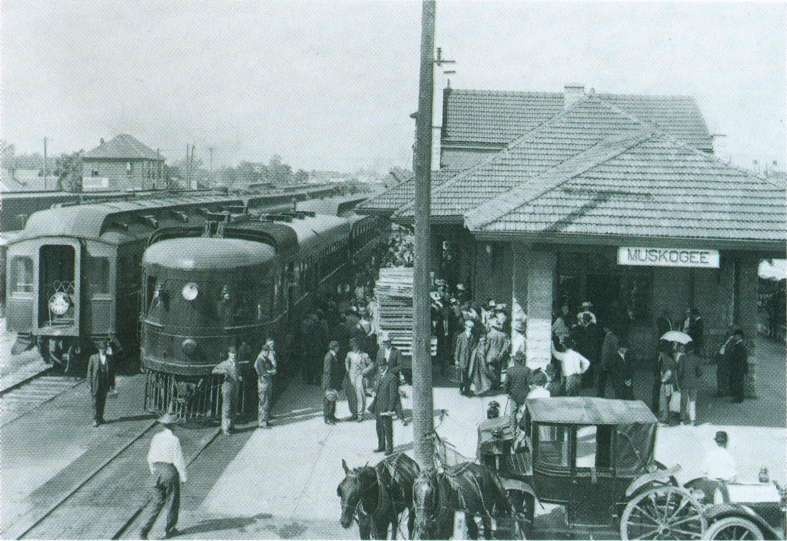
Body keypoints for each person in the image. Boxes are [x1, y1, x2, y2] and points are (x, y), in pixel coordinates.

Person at [139, 413, 187, 540]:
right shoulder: (174, 440)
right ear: (174, 426)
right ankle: (169, 530)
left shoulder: (156, 437)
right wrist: (183, 477)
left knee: (157, 502)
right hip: (170, 472)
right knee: (172, 501)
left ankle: (144, 530)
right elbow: (178, 460)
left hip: (156, 471)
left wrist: (154, 471)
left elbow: (149, 457)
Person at [368, 358, 405, 455]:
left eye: (382, 366)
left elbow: (393, 395)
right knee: (379, 427)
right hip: (378, 406)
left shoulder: (392, 377)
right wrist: (373, 392)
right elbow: (375, 388)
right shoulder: (378, 376)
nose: (380, 368)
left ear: (386, 366)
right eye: (379, 366)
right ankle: (381, 446)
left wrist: (390, 409)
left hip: (386, 407)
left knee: (387, 428)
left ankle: (390, 448)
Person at [212, 346, 243, 435]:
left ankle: (231, 426)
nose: (233, 355)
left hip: (236, 387)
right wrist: (223, 371)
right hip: (227, 388)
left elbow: (238, 372)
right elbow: (214, 370)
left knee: (234, 407)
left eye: (235, 354)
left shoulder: (237, 363)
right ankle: (225, 428)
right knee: (227, 408)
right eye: (232, 354)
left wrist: (239, 377)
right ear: (229, 354)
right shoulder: (225, 363)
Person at [345, 337, 373, 421]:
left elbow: (371, 364)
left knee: (360, 395)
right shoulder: (349, 354)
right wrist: (347, 370)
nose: (353, 346)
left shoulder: (364, 355)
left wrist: (365, 371)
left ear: (357, 345)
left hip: (360, 376)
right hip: (351, 376)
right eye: (351, 345)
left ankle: (360, 414)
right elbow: (346, 362)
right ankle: (354, 413)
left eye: (354, 344)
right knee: (351, 396)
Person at [87, 343, 113, 426]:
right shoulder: (93, 357)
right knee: (95, 401)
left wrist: (112, 384)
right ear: (99, 349)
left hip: (104, 382)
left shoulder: (109, 358)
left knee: (102, 400)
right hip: (95, 382)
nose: (103, 350)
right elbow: (89, 371)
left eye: (104, 349)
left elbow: (111, 372)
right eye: (102, 349)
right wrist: (89, 383)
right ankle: (95, 419)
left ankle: (101, 417)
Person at [677, 342, 702, 425]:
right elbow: (699, 372)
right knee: (692, 402)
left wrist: (679, 380)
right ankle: (692, 420)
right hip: (694, 383)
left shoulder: (682, 358)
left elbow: (680, 371)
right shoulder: (697, 358)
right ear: (693, 350)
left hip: (684, 383)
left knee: (683, 402)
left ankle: (682, 420)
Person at [254, 339, 277, 429]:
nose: (267, 353)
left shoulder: (266, 359)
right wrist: (271, 372)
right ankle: (262, 422)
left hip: (268, 382)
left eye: (268, 352)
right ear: (263, 351)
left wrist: (271, 371)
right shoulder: (260, 360)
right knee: (263, 402)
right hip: (263, 383)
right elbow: (264, 373)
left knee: (268, 401)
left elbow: (272, 367)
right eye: (266, 352)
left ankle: (266, 420)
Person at [505, 351, 531, 429]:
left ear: (514, 360)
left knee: (513, 413)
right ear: (522, 360)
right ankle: (523, 429)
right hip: (524, 395)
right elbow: (529, 382)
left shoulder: (509, 370)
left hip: (513, 395)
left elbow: (506, 384)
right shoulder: (527, 370)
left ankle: (513, 430)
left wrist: (507, 393)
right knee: (524, 412)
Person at [485, 320, 510, 389]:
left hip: (490, 355)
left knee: (491, 370)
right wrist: (501, 353)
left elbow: (487, 346)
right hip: (499, 356)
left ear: (492, 327)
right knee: (498, 371)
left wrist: (484, 353)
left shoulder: (489, 335)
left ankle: (491, 385)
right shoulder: (503, 335)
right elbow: (506, 346)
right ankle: (497, 385)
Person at [454, 319, 477, 396]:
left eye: (471, 327)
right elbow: (457, 348)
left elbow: (473, 347)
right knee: (462, 375)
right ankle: (461, 388)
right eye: (469, 327)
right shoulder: (460, 336)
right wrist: (456, 359)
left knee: (469, 374)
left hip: (470, 359)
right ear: (465, 327)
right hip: (462, 358)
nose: (470, 328)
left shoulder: (472, 336)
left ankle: (467, 389)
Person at [597, 325, 619, 398]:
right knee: (614, 380)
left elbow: (605, 352)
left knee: (602, 381)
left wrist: (604, 363)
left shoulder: (608, 337)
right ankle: (618, 394)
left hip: (607, 362)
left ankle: (600, 395)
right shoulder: (614, 337)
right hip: (612, 361)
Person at [322, 340, 341, 424]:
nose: (339, 348)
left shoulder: (333, 355)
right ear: (334, 347)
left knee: (333, 400)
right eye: (337, 347)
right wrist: (329, 385)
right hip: (329, 382)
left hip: (333, 382)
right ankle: (327, 418)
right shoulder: (329, 357)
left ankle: (332, 416)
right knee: (328, 401)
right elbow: (328, 371)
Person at [658, 345, 678, 424]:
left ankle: (665, 418)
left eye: (660, 352)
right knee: (668, 400)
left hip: (666, 384)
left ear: (663, 352)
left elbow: (668, 373)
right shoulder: (671, 360)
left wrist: (662, 379)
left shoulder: (666, 360)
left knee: (664, 400)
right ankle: (667, 417)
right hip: (671, 384)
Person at [728, 328, 748, 403]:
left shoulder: (740, 345)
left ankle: (739, 398)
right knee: (737, 382)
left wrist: (732, 354)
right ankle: (738, 397)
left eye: (735, 335)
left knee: (738, 383)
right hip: (739, 367)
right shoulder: (739, 344)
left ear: (739, 336)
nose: (734, 337)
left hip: (739, 367)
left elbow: (739, 356)